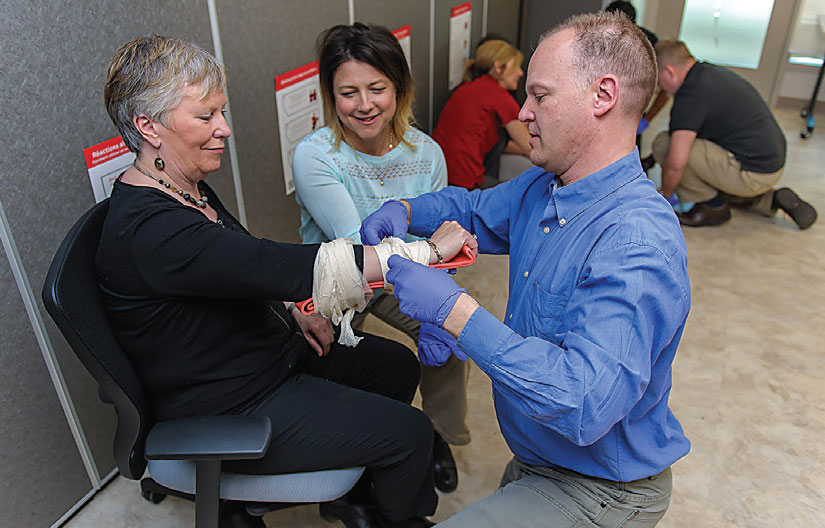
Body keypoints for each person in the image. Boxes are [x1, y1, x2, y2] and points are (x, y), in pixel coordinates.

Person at [97, 35, 475, 528]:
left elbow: (237, 269)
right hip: (230, 399)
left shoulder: (180, 185)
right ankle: (398, 519)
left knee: (396, 367)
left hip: (260, 352)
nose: (224, 129)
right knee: (409, 433)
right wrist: (427, 251)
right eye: (206, 117)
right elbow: (288, 264)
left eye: (221, 112)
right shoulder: (154, 230)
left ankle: (354, 491)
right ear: (149, 127)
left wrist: (292, 312)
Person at [360, 12, 690, 527]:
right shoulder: (547, 185)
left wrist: (456, 315)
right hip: (539, 461)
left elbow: (585, 403)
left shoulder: (634, 241)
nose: (522, 111)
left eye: (540, 95)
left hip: (600, 486)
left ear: (602, 96)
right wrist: (407, 210)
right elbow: (471, 211)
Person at [292, 23, 468, 494]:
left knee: (454, 328)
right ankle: (358, 444)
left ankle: (437, 434)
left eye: (377, 89)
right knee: (336, 357)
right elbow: (352, 244)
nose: (364, 105)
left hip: (407, 270)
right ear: (331, 95)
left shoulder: (425, 152)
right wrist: (432, 256)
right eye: (348, 92)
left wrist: (445, 295)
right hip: (338, 274)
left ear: (399, 89)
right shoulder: (314, 155)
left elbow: (440, 229)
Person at [652, 39, 818, 228]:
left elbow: (675, 163)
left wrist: (662, 199)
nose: (661, 89)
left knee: (664, 145)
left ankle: (710, 206)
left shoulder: (690, 96)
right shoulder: (709, 74)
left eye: (658, 82)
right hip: (769, 165)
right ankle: (769, 200)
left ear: (669, 72)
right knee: (696, 158)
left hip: (751, 172)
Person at [432, 38, 532, 189]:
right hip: (464, 180)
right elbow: (529, 145)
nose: (520, 72)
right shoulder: (498, 96)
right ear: (498, 66)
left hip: (441, 172)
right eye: (516, 67)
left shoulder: (470, 88)